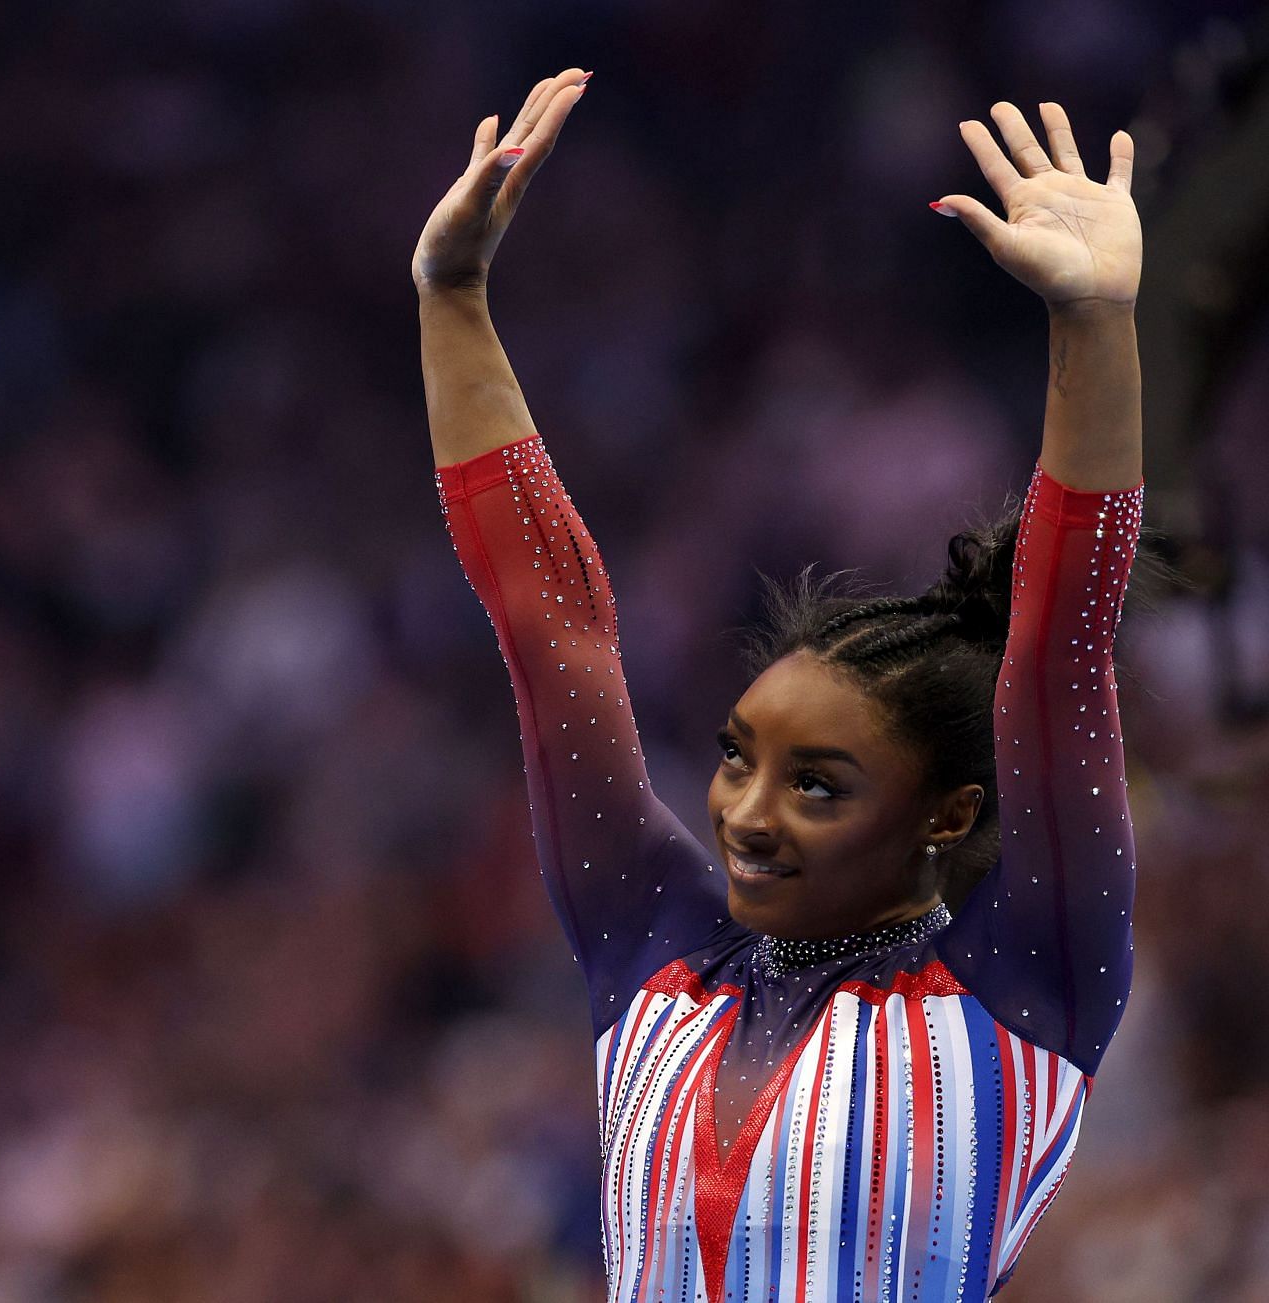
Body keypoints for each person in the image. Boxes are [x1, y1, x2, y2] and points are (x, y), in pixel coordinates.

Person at [414, 67, 1146, 1299]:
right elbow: (556, 636)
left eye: (818, 785)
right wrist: (452, 300)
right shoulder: (654, 956)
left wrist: (1096, 330)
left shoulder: (1027, 984)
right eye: (741, 756)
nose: (747, 814)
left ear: (949, 814)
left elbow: (1060, 642)